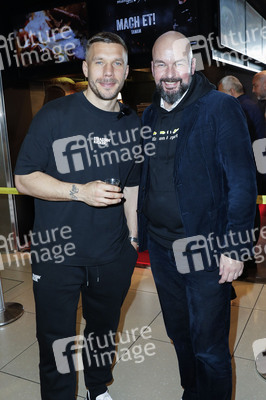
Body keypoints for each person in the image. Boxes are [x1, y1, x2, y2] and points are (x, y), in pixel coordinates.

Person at [14, 32, 141, 400]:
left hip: (113, 254)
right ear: (86, 68)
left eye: (117, 63)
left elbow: (132, 184)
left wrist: (133, 239)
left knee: (103, 331)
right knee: (55, 340)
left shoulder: (131, 122)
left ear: (126, 71)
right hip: (57, 256)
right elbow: (24, 178)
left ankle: (97, 388)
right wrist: (79, 192)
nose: (108, 71)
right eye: (99, 62)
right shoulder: (55, 115)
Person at [138, 31, 257, 400]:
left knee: (209, 344)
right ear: (153, 69)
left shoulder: (219, 107)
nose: (170, 73)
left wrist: (235, 248)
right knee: (180, 333)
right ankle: (193, 392)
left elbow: (242, 183)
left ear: (193, 64)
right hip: (160, 249)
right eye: (161, 64)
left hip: (207, 250)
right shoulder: (149, 114)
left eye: (177, 63)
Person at [218, 75, 264, 280]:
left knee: (246, 211)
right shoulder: (252, 106)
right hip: (254, 169)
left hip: (247, 171)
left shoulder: (237, 107)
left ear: (229, 92)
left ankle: (246, 257)